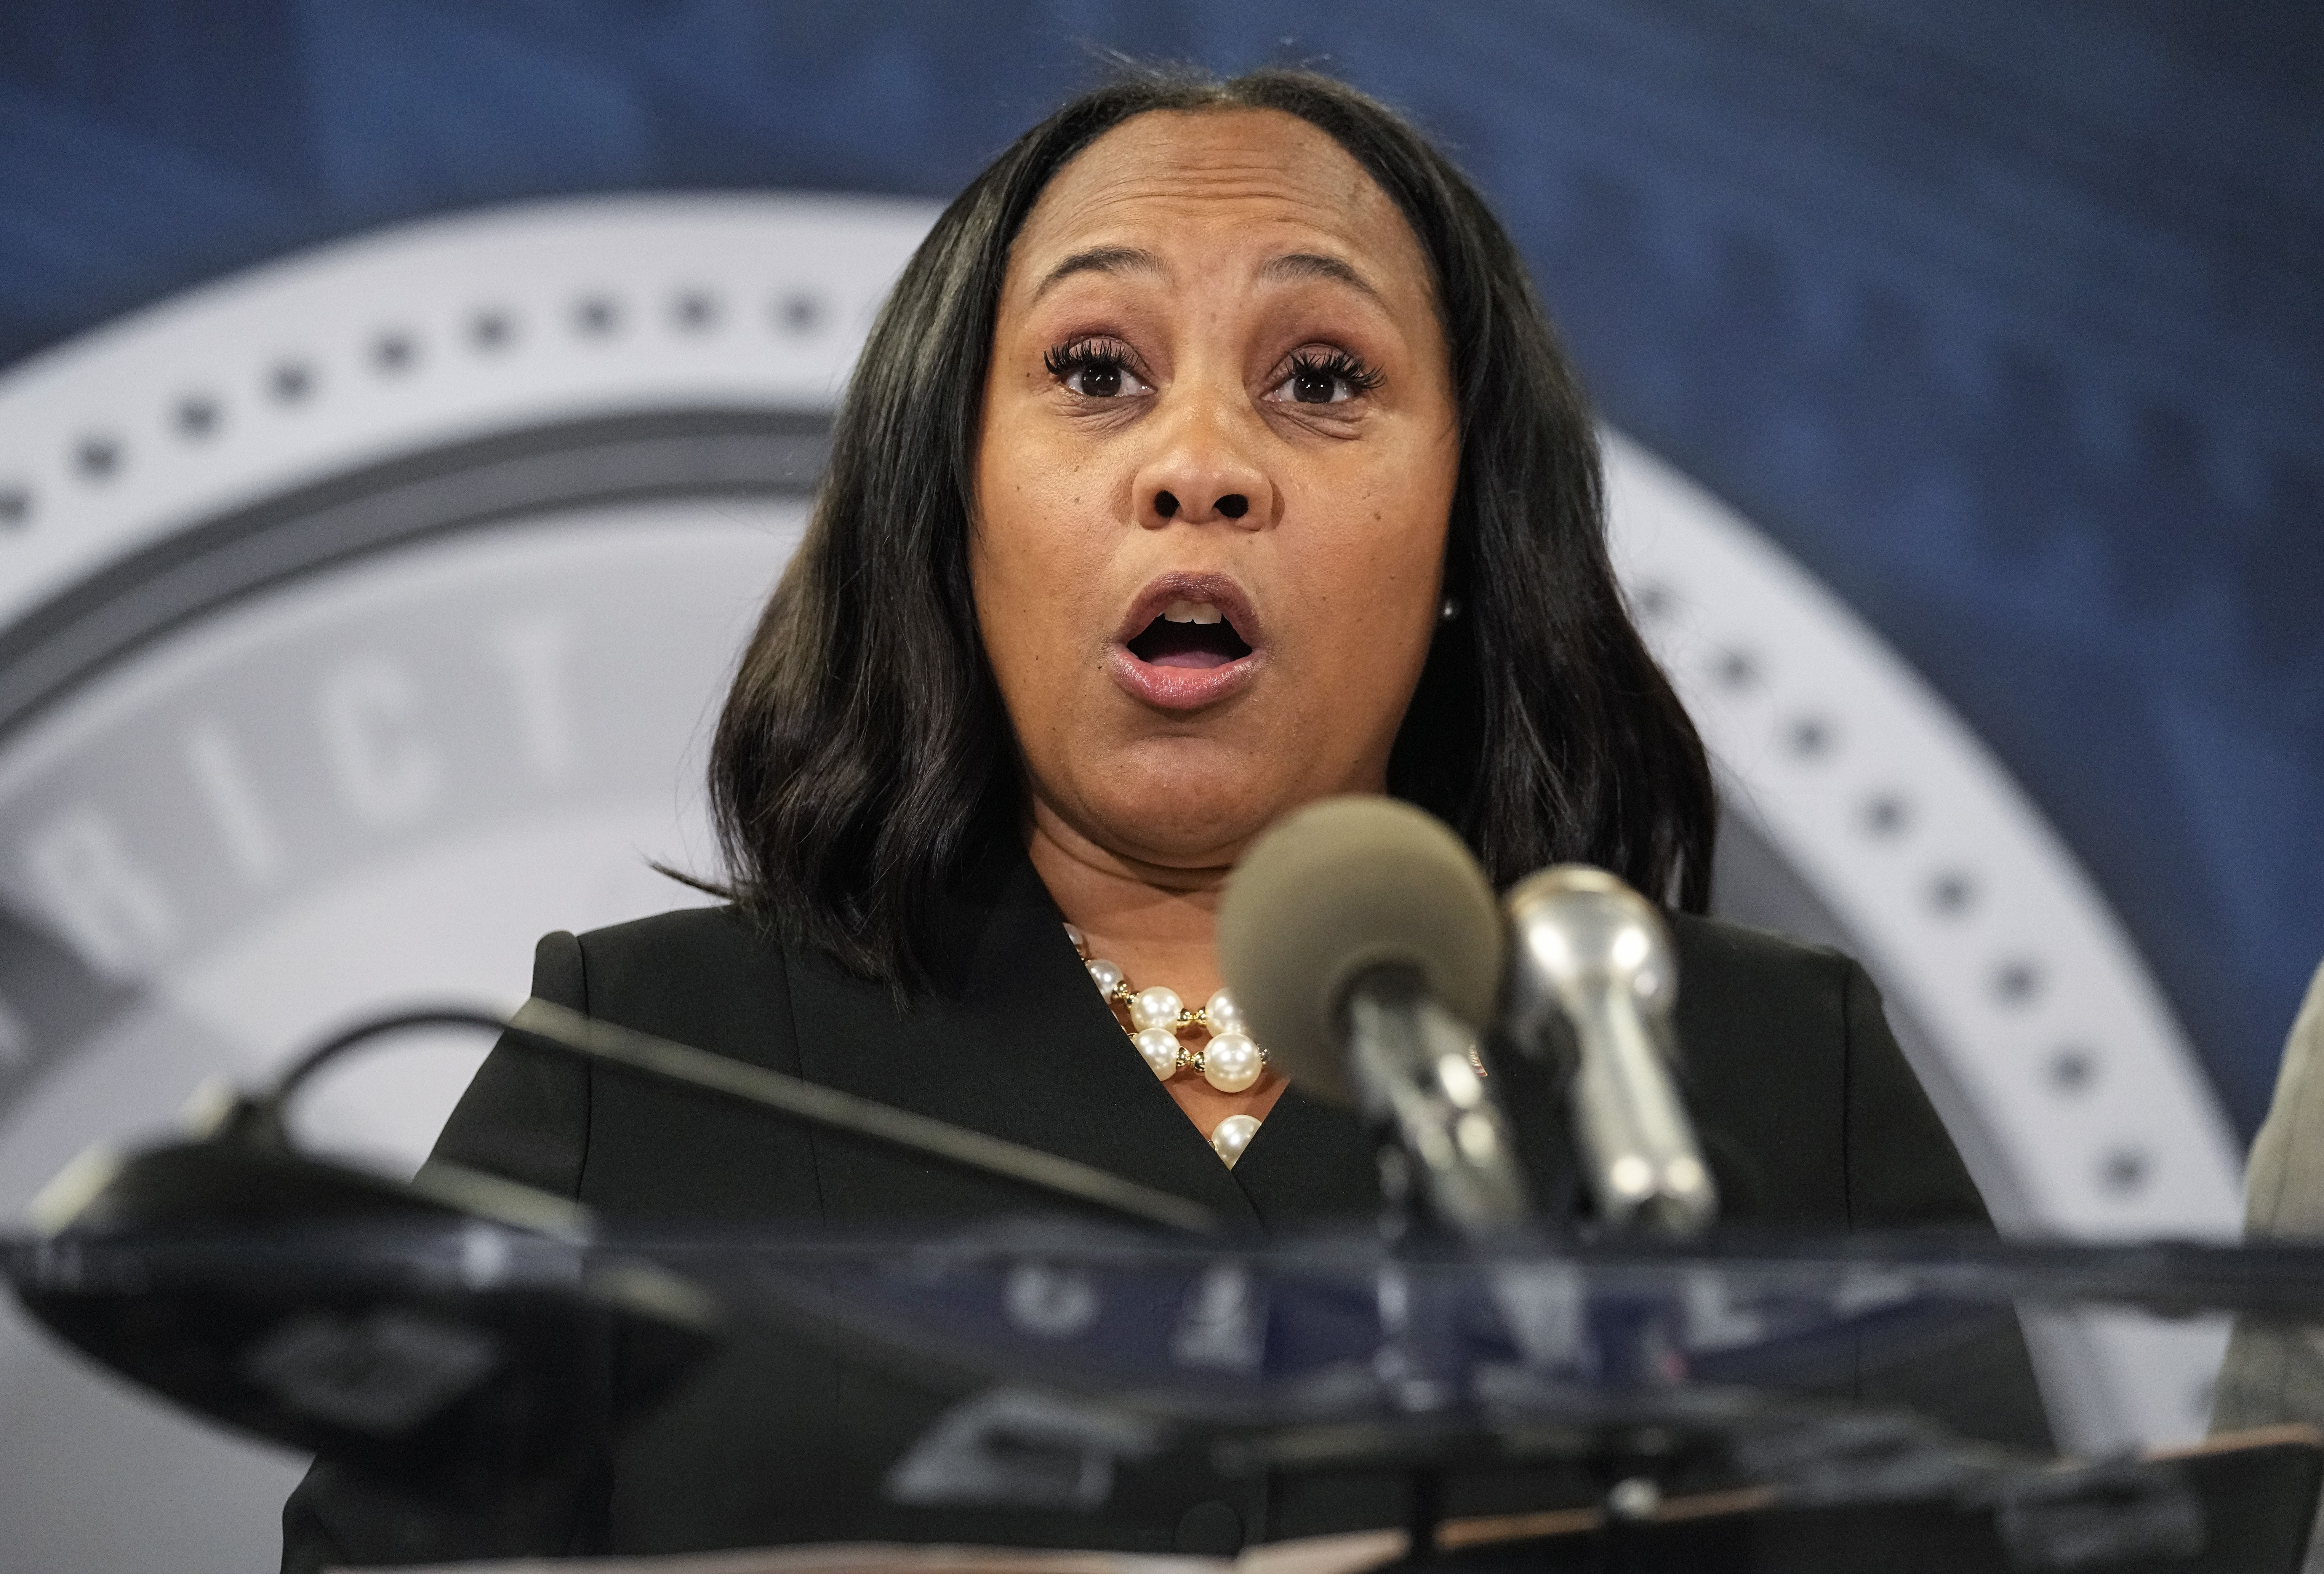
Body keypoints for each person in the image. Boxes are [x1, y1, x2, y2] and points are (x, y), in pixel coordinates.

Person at [283, 64, 2046, 1570]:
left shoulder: (1745, 1072)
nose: (1198, 459)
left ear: (1463, 537)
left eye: (1326, 378)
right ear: (949, 507)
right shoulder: (642, 1062)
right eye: (1098, 369)